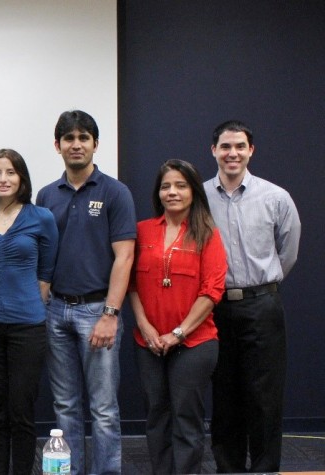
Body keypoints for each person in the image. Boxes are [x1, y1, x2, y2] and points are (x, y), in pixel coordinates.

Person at [36, 110, 135, 475]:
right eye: (69, 138)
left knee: (104, 408)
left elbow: (124, 258)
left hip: (98, 311)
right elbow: (42, 256)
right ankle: (69, 471)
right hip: (55, 311)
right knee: (64, 405)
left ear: (95, 144)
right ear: (57, 145)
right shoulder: (46, 195)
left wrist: (110, 315)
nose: (76, 144)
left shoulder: (114, 192)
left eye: (83, 138)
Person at [204, 121, 301, 473]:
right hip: (214, 308)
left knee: (264, 397)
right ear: (213, 150)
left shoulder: (275, 198)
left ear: (251, 151)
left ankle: (264, 469)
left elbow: (287, 253)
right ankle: (229, 468)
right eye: (226, 146)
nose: (233, 153)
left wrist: (259, 288)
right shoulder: (199, 198)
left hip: (262, 306)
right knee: (225, 395)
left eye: (240, 146)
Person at [129, 159, 227, 474]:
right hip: (149, 344)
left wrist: (177, 334)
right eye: (166, 186)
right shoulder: (142, 231)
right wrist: (145, 329)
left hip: (195, 344)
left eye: (180, 185)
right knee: (157, 416)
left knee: (186, 418)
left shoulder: (207, 233)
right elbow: (130, 285)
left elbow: (212, 291)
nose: (172, 192)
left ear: (194, 191)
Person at [0, 149, 57, 475]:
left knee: (21, 411)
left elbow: (47, 271)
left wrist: (28, 301)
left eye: (11, 172)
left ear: (22, 178)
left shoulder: (41, 217)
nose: (3, 179)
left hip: (27, 326)